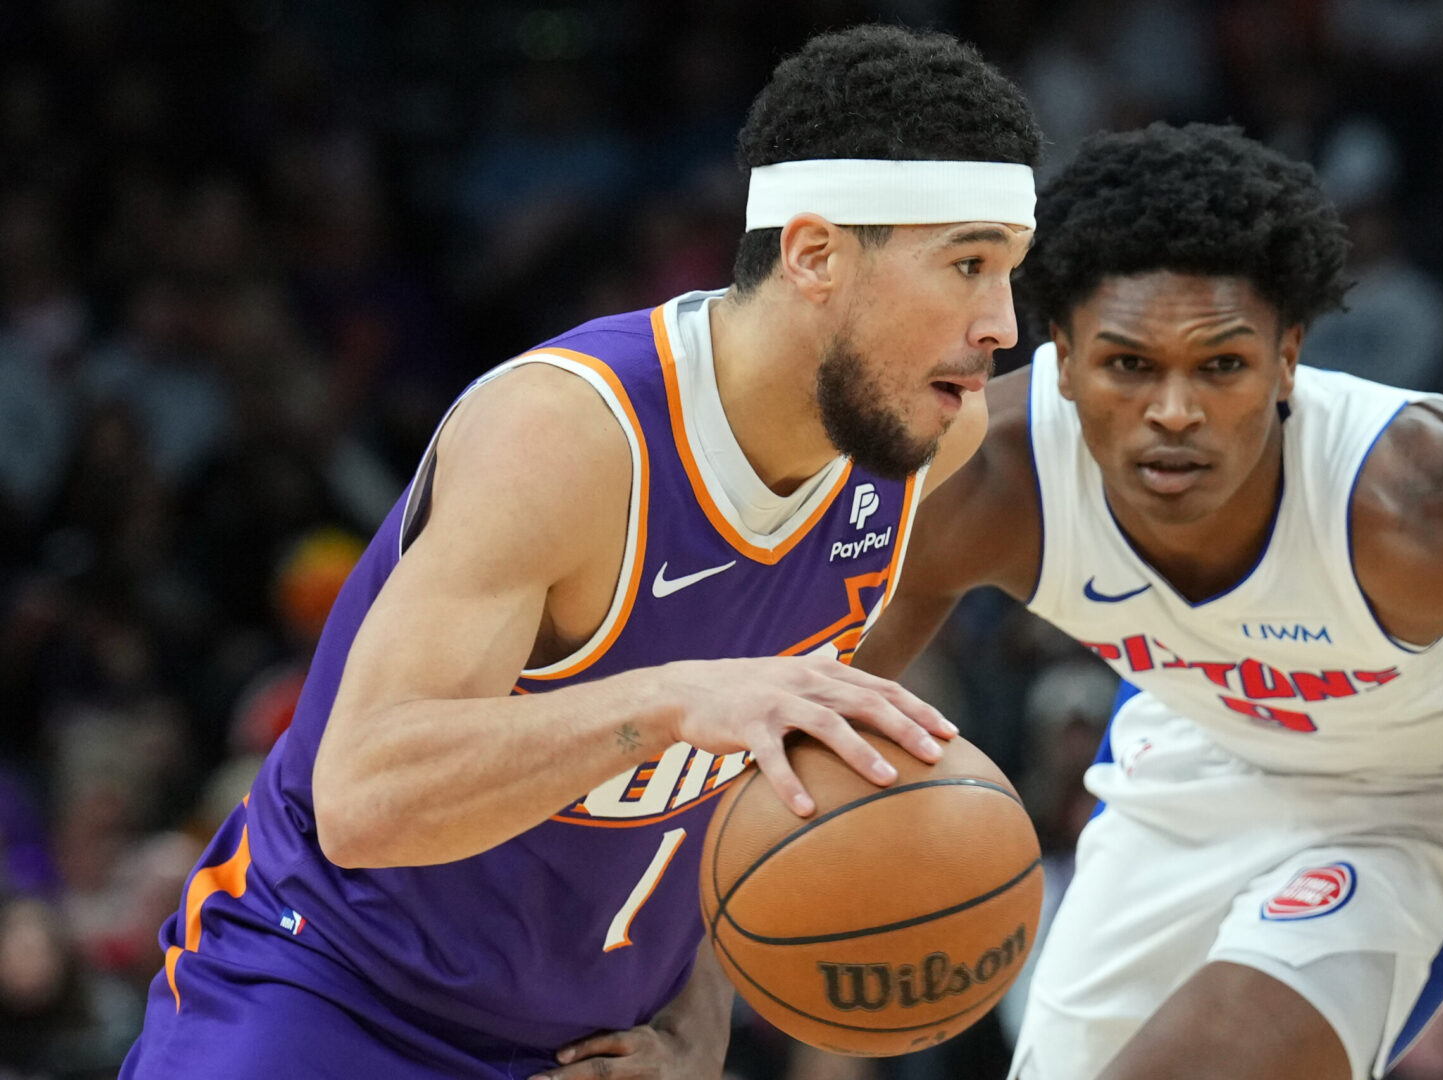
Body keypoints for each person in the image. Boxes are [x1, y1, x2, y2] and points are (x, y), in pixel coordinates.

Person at [120, 25, 1042, 1080]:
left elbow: (782, 755)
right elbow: (366, 800)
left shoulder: (922, 435)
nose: (1002, 324)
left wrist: (704, 1001)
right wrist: (674, 700)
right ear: (815, 255)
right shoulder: (572, 437)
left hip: (589, 1047)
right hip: (331, 997)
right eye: (968, 265)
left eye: (1010, 272)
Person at [856, 122, 1443, 1080]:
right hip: (1194, 756)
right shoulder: (988, 481)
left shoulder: (1416, 511)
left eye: (1221, 365)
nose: (1175, 412)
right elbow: (790, 716)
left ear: (1288, 355)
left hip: (1424, 794)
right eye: (1129, 365)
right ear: (1063, 354)